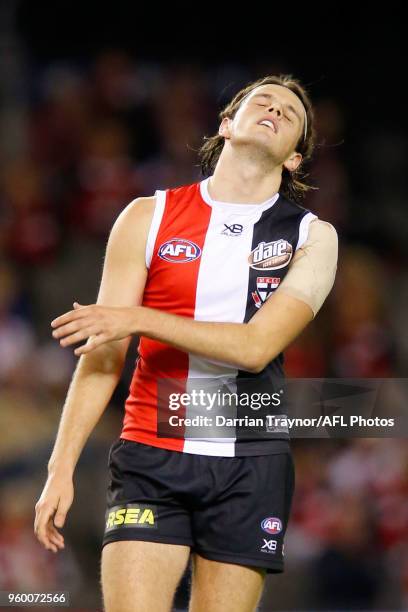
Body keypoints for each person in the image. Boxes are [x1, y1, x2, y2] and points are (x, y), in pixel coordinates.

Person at [34, 74, 338, 612]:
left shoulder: (314, 237)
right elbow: (105, 355)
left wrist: (136, 317)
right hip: (152, 450)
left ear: (294, 158)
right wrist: (59, 470)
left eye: (290, 113)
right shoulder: (145, 217)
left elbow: (254, 348)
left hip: (251, 457)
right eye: (260, 101)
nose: (273, 108)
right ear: (226, 125)